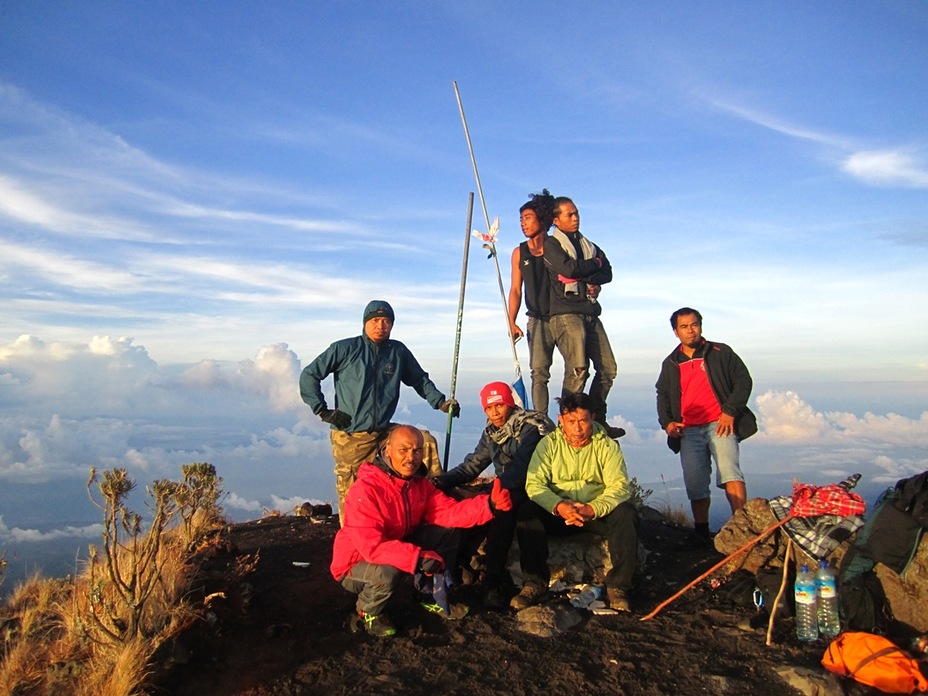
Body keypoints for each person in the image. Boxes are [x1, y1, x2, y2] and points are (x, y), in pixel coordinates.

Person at [330, 424, 512, 637]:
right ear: (387, 450)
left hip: (394, 546)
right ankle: (368, 609)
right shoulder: (366, 490)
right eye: (403, 450)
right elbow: (372, 547)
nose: (411, 457)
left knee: (447, 531)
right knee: (388, 572)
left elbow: (448, 512)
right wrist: (417, 557)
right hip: (355, 563)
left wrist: (489, 505)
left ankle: (429, 594)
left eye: (417, 450)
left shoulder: (417, 485)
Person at [299, 300, 459, 517]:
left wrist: (440, 402)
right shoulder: (345, 349)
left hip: (384, 432)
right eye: (375, 320)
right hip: (351, 434)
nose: (380, 326)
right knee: (353, 494)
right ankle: (354, 543)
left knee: (425, 443)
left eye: (386, 321)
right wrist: (323, 410)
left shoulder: (397, 351)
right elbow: (309, 375)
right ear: (365, 323)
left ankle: (433, 504)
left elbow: (419, 379)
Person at [432, 381, 555, 609]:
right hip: (507, 488)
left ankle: (495, 581)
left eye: (499, 405)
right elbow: (472, 465)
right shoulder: (492, 432)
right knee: (480, 506)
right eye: (489, 408)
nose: (494, 412)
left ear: (509, 403)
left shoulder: (530, 428)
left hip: (536, 488)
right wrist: (440, 481)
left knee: (504, 512)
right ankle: (476, 574)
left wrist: (498, 491)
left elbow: (522, 467)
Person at [517, 391, 638, 612]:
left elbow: (619, 487)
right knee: (527, 511)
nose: (577, 427)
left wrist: (592, 508)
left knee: (626, 513)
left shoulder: (606, 446)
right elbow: (534, 485)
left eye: (583, 420)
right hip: (558, 514)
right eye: (571, 421)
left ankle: (618, 586)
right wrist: (559, 506)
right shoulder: (548, 445)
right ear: (561, 419)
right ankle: (534, 583)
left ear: (592, 417)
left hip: (593, 513)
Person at [655, 307, 757, 542]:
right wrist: (667, 423)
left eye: (694, 325)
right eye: (684, 327)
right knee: (695, 482)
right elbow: (662, 393)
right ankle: (701, 532)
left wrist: (730, 413)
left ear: (700, 326)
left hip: (720, 424)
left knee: (731, 473)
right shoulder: (671, 362)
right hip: (688, 430)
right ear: (675, 332)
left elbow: (743, 381)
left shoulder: (720, 352)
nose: (690, 330)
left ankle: (742, 528)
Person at [542, 197, 622, 438]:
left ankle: (597, 418)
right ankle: (567, 424)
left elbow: (606, 272)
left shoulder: (588, 244)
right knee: (578, 370)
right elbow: (568, 269)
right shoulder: (552, 244)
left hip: (589, 311)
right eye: (569, 215)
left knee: (608, 368)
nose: (575, 218)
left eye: (576, 213)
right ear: (557, 220)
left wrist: (589, 273)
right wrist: (593, 265)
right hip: (565, 313)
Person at [507, 190, 557, 413]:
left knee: (577, 368)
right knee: (538, 372)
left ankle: (570, 413)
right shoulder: (520, 252)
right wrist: (511, 321)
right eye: (521, 219)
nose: (523, 224)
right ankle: (540, 417)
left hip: (563, 315)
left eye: (527, 218)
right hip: (536, 318)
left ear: (542, 219)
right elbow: (516, 289)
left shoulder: (557, 247)